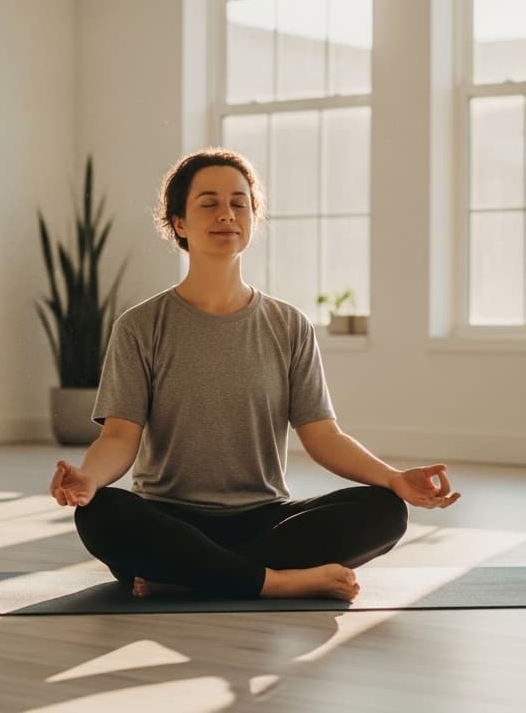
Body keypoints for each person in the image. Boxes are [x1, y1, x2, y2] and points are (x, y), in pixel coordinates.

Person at [48, 148, 460, 602]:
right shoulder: (140, 326)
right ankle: (275, 581)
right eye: (208, 203)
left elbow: (323, 436)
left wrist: (393, 477)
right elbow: (120, 438)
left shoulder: (288, 325)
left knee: (383, 509)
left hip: (264, 517)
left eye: (239, 203)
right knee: (100, 511)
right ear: (179, 224)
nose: (226, 214)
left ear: (252, 217)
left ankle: (190, 573)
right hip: (168, 517)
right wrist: (88, 479)